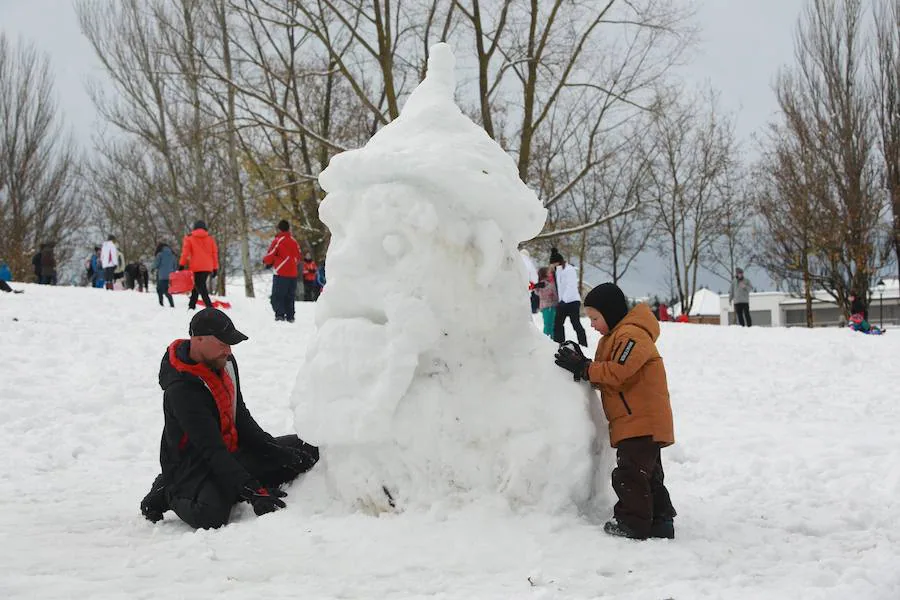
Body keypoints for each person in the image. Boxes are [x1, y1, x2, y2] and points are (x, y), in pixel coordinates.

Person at [139, 308, 320, 528]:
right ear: (198, 340)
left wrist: (278, 452)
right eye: (222, 343)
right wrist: (253, 491)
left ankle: (235, 484)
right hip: (195, 467)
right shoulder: (181, 389)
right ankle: (167, 490)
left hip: (231, 452)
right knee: (212, 516)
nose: (228, 350)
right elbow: (211, 450)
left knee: (307, 449)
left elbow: (241, 417)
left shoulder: (225, 361)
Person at [554, 282, 676, 540]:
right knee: (648, 474)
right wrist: (583, 364)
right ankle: (660, 520)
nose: (592, 324)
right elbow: (605, 374)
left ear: (610, 313)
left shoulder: (631, 335)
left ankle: (633, 522)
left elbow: (618, 372)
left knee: (630, 473)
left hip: (641, 420)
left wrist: (584, 367)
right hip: (634, 420)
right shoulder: (613, 339)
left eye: (595, 318)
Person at [262, 220, 301, 322]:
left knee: (277, 296)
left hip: (281, 273)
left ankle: (280, 315)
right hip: (293, 273)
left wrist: (267, 262)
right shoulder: (294, 241)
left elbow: (271, 254)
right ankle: (290, 316)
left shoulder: (278, 240)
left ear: (279, 229)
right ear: (288, 229)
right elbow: (298, 256)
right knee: (290, 296)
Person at [549, 247, 587, 346]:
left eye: (552, 264)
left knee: (575, 324)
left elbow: (571, 286)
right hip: (563, 302)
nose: (551, 266)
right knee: (557, 324)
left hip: (572, 301)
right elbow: (560, 288)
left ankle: (583, 344)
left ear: (557, 262)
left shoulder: (569, 270)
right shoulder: (558, 271)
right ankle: (559, 344)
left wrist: (563, 301)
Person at [179, 220, 218, 310]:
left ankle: (210, 307)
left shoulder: (189, 238)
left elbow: (185, 253)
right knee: (196, 286)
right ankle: (191, 306)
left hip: (196, 267)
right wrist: (215, 268)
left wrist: (181, 264)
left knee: (200, 286)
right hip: (208, 267)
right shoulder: (210, 239)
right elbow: (214, 254)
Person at [534, 266, 558, 338]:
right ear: (545, 274)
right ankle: (547, 339)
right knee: (549, 325)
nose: (551, 274)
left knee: (550, 324)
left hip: (548, 306)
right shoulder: (545, 283)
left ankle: (550, 339)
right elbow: (543, 293)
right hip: (549, 306)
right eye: (549, 272)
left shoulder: (548, 282)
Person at [153, 243, 178, 307]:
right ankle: (165, 304)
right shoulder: (173, 255)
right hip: (170, 276)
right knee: (164, 289)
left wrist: (153, 268)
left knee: (161, 290)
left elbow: (156, 265)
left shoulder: (160, 254)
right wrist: (172, 272)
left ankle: (165, 304)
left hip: (161, 275)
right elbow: (175, 266)